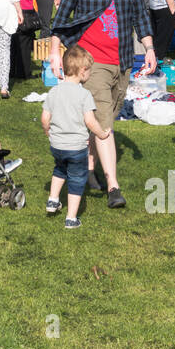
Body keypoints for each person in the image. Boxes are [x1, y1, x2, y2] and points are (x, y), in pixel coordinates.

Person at [50, 0, 156, 210]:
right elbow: (61, 16)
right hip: (90, 63)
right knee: (104, 125)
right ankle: (113, 186)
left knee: (98, 119)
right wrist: (53, 51)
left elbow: (140, 16)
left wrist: (149, 48)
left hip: (121, 61)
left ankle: (86, 171)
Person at [41, 45, 112, 229]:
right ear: (82, 71)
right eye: (89, 71)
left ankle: (52, 199)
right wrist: (102, 134)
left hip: (56, 145)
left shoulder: (54, 91)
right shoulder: (84, 94)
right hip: (76, 147)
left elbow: (44, 118)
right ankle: (71, 218)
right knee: (77, 179)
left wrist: (48, 131)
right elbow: (90, 121)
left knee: (60, 169)